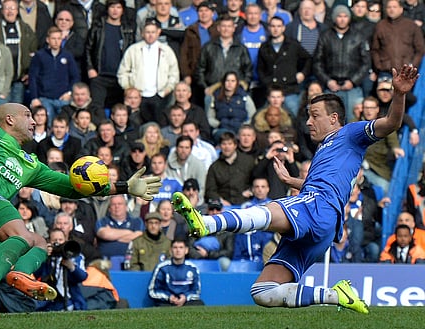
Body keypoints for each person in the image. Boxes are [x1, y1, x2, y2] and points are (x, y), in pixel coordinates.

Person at [174, 64, 419, 313]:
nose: (309, 122)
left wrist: (398, 94)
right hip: (323, 227)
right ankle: (335, 294)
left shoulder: (350, 133)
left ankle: (207, 224)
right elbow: (329, 185)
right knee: (263, 291)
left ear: (334, 118)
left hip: (318, 207)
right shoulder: (326, 151)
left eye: (315, 115)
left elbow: (390, 123)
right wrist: (293, 181)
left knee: (267, 210)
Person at [0, 90, 161, 319]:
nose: (34, 121)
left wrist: (124, 187)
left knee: (39, 243)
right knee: (23, 235)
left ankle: (20, 274)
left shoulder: (30, 164)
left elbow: (72, 187)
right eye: (27, 115)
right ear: (9, 119)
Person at [313, 5, 370, 123]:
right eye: (339, 16)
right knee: (330, 121)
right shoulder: (325, 36)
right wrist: (328, 81)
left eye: (345, 16)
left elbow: (366, 63)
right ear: (334, 18)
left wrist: (353, 81)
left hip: (352, 87)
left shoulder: (358, 36)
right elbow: (317, 62)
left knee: (354, 120)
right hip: (331, 86)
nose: (342, 19)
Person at [117, 19, 179, 124]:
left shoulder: (166, 50)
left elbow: (174, 74)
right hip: (138, 96)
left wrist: (166, 90)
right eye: (148, 32)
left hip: (160, 96)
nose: (150, 35)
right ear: (142, 33)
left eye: (153, 32)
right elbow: (122, 72)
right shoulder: (133, 50)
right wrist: (128, 88)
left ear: (158, 32)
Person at [257, 16, 312, 118]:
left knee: (294, 119)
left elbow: (308, 59)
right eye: (273, 26)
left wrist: (303, 73)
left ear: (283, 28)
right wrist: (266, 81)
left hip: (290, 89)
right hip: (271, 90)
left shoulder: (293, 44)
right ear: (269, 28)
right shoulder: (264, 47)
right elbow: (260, 69)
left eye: (278, 26)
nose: (275, 29)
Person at [86, 0, 135, 110]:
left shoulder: (128, 30)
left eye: (118, 7)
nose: (115, 10)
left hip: (119, 78)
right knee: (96, 109)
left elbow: (131, 53)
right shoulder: (98, 27)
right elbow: (88, 48)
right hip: (99, 76)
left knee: (119, 110)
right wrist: (90, 68)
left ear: (123, 10)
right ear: (107, 9)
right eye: (112, 7)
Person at [29, 26, 81, 120]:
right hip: (45, 99)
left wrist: (69, 93)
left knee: (64, 125)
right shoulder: (39, 56)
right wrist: (34, 98)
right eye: (53, 38)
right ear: (48, 40)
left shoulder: (67, 55)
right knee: (47, 123)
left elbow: (75, 76)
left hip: (63, 99)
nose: (56, 41)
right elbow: (33, 78)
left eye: (59, 38)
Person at [34, 228, 88, 311]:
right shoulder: (46, 257)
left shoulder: (76, 256)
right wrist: (43, 257)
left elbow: (83, 277)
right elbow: (36, 274)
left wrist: (72, 267)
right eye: (54, 240)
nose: (58, 243)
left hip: (70, 298)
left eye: (60, 240)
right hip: (48, 299)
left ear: (66, 240)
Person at [371, 0, 425, 78]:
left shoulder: (411, 25)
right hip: (386, 71)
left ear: (401, 9)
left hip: (407, 72)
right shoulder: (380, 26)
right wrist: (379, 66)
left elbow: (420, 49)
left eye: (394, 7)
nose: (391, 9)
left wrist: (413, 65)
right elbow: (375, 49)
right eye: (389, 7)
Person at [148, 239, 205, 307]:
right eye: (175, 247)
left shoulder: (192, 268)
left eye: (181, 247)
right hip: (167, 302)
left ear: (186, 250)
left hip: (186, 302)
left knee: (199, 304)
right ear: (170, 250)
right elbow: (153, 291)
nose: (178, 250)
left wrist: (185, 297)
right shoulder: (162, 268)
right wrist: (169, 297)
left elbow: (196, 291)